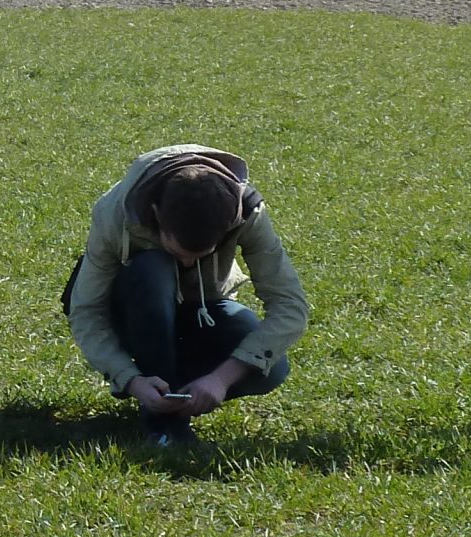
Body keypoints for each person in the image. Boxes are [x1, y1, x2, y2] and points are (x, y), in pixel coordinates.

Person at [65, 145, 309, 448]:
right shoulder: (115, 212)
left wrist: (221, 378)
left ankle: (174, 393)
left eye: (200, 256)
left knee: (272, 368)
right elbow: (86, 310)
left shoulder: (246, 210)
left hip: (201, 307)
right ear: (155, 214)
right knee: (154, 269)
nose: (187, 265)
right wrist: (130, 379)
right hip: (133, 307)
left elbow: (290, 305)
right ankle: (164, 424)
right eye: (177, 252)